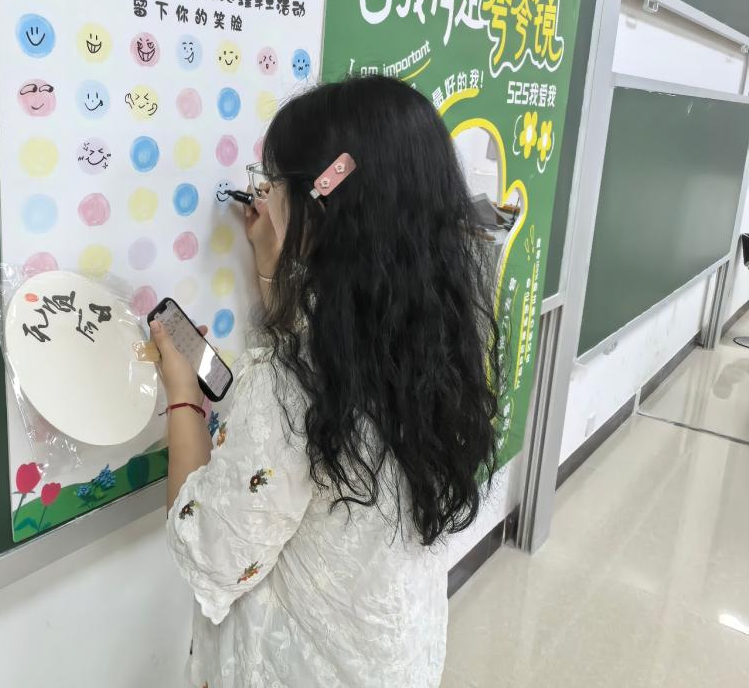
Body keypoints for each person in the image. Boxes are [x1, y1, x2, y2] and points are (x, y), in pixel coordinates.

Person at [150, 75, 501, 688]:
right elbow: (329, 368)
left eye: (274, 183)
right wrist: (274, 262)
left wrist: (182, 394)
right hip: (392, 658)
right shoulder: (434, 339)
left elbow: (208, 545)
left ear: (319, 204)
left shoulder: (289, 385)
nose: (264, 195)